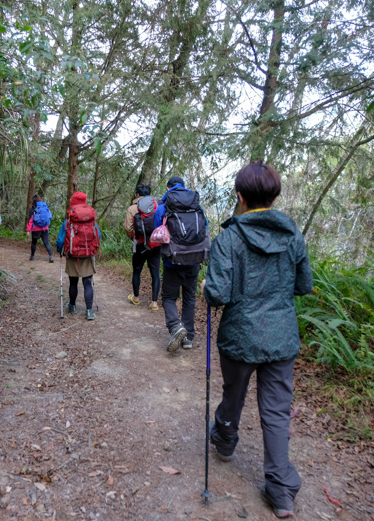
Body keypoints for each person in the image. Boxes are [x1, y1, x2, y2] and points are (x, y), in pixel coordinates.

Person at [201, 161, 313, 519]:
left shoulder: (230, 238)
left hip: (240, 335)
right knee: (277, 411)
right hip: (281, 337)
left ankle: (224, 439)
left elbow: (216, 294)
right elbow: (303, 286)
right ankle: (280, 492)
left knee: (233, 394)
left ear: (240, 196)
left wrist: (207, 287)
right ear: (275, 196)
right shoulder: (293, 235)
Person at [154, 176, 210, 352]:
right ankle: (188, 338)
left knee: (169, 297)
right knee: (189, 298)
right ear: (184, 188)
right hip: (194, 260)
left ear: (169, 188)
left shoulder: (163, 207)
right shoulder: (197, 206)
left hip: (173, 260)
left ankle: (175, 326)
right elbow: (204, 228)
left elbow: (158, 232)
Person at [56, 191, 100, 321]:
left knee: (73, 282)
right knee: (87, 282)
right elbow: (98, 235)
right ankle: (89, 311)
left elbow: (60, 239)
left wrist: (60, 251)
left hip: (72, 254)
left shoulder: (69, 220)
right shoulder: (91, 219)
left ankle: (73, 306)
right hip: (87, 253)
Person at [124, 184, 160, 310]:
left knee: (137, 270)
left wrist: (135, 237)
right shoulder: (157, 206)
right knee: (155, 272)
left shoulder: (132, 208)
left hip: (139, 244)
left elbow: (128, 228)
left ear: (137, 195)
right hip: (155, 244)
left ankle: (136, 298)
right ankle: (154, 303)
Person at [27, 194, 54, 262]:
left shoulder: (33, 208)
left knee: (34, 242)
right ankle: (51, 256)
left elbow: (31, 220)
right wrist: (47, 225)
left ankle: (32, 256)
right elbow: (49, 216)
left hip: (36, 229)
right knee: (46, 243)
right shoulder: (45, 206)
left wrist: (28, 230)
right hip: (45, 228)